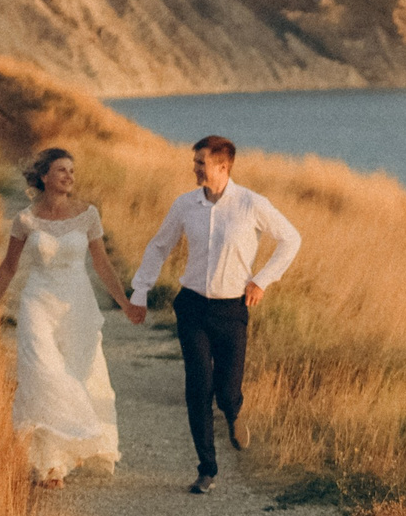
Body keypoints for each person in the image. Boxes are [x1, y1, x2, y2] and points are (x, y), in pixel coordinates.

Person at [126, 136, 302, 495]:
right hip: (192, 306)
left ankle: (233, 413)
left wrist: (262, 280)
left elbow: (291, 239)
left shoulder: (251, 204)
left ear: (223, 167)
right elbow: (160, 245)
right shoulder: (185, 205)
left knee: (226, 390)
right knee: (198, 388)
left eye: (201, 162)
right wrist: (140, 290)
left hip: (232, 308)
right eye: (195, 162)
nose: (195, 168)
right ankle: (206, 468)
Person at [0, 148, 127, 489]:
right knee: (43, 375)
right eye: (61, 170)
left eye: (72, 170)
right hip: (37, 303)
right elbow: (8, 267)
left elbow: (101, 264)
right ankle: (50, 465)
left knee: (81, 372)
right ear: (44, 176)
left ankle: (77, 444)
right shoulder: (25, 219)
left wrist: (126, 304)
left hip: (77, 305)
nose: (69, 176)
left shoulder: (88, 215)